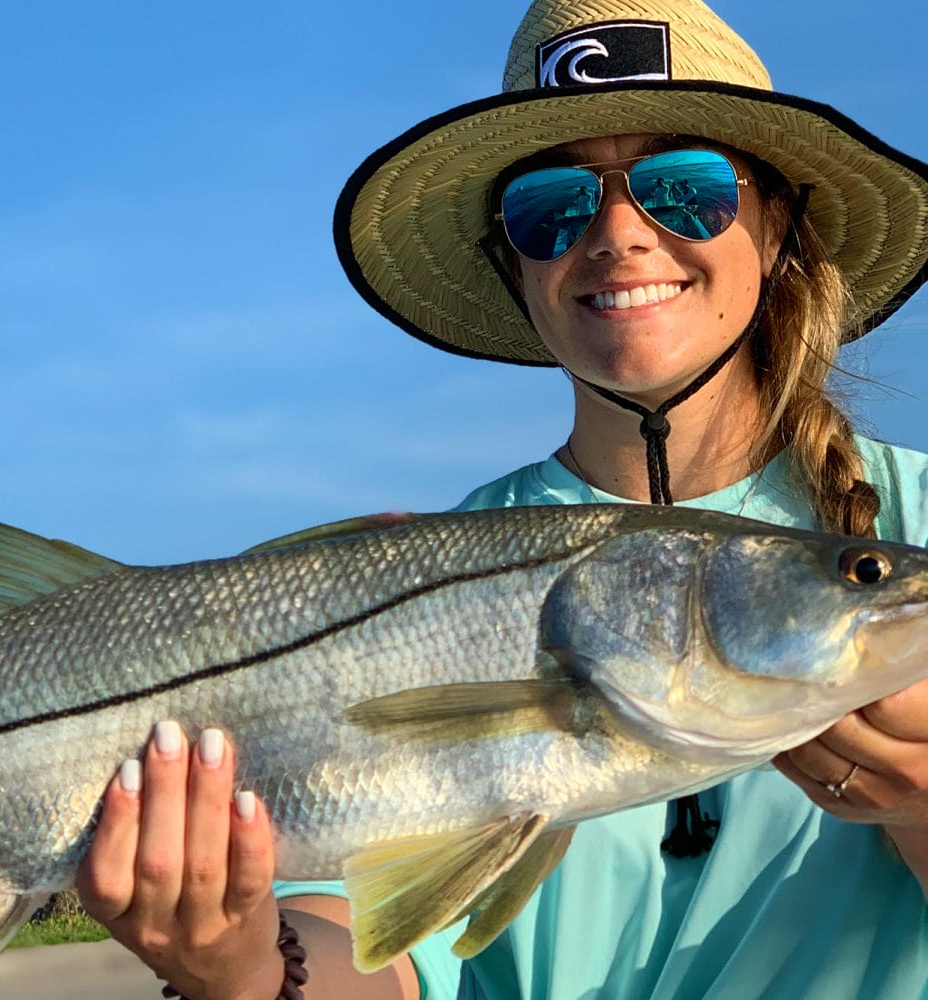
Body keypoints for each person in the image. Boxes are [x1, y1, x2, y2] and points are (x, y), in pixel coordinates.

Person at [76, 0, 928, 996]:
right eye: (550, 204)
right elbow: (382, 945)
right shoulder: (438, 562)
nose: (618, 231)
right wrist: (245, 966)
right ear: (511, 261)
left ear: (778, 223)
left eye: (685, 187)